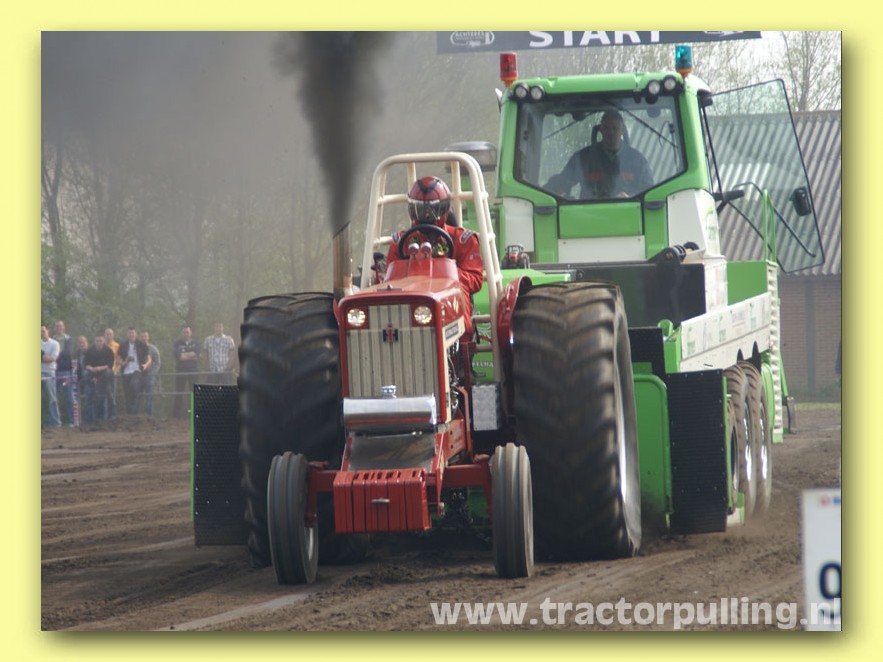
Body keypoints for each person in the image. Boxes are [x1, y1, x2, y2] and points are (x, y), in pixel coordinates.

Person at [385, 176, 484, 336]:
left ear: (445, 208)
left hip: (448, 300)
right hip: (411, 301)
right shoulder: (400, 242)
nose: (427, 216)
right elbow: (389, 280)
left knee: (459, 291)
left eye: (433, 209)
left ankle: (461, 340)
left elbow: (475, 279)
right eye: (420, 209)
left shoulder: (463, 240)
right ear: (412, 210)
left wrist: (444, 273)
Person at [546, 109, 653, 199]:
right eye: (606, 128)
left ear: (622, 131)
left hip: (628, 214)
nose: (611, 132)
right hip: (588, 214)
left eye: (615, 128)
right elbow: (563, 181)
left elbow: (649, 192)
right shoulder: (583, 158)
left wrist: (630, 197)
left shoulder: (637, 160)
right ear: (600, 130)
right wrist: (546, 193)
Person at [117, 327, 151, 415]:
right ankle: (130, 415)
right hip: (126, 371)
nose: (131, 335)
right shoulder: (123, 345)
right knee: (127, 394)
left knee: (134, 386)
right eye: (129, 333)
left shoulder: (142, 344)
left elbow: (149, 359)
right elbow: (118, 358)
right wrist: (124, 362)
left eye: (133, 333)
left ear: (136, 334)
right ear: (127, 334)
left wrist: (145, 365)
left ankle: (135, 413)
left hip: (137, 370)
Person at [82, 334, 115, 424]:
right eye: (97, 341)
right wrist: (92, 369)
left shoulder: (108, 351)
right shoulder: (89, 351)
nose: (99, 343)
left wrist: (99, 368)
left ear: (103, 341)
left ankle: (108, 418)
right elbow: (85, 364)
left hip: (104, 375)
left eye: (100, 341)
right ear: (94, 341)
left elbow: (110, 365)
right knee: (89, 395)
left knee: (106, 395)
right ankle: (89, 420)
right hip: (92, 373)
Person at [172, 325, 200, 419]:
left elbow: (196, 354)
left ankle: (195, 414)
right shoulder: (177, 343)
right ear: (182, 333)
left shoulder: (196, 342)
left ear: (191, 332)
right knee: (179, 393)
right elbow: (179, 357)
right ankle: (177, 416)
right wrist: (190, 355)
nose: (186, 334)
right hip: (181, 371)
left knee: (194, 392)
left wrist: (184, 355)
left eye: (187, 332)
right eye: (184, 332)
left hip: (193, 370)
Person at [53, 320, 75, 426]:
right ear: (55, 328)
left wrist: (56, 353)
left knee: (69, 397)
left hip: (67, 372)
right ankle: (56, 422)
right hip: (55, 372)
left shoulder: (69, 339)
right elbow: (50, 354)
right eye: (57, 326)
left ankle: (72, 421)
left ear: (64, 327)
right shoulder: (52, 339)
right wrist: (59, 353)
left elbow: (68, 353)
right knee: (54, 398)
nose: (59, 328)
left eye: (60, 326)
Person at [41, 325, 62, 428]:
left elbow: (52, 358)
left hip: (50, 373)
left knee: (52, 398)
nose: (41, 333)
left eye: (43, 331)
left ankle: (56, 422)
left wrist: (41, 356)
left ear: (47, 331)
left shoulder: (55, 343)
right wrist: (44, 357)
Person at [140, 330, 161, 417]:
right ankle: (137, 416)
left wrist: (152, 373)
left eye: (145, 336)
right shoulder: (137, 348)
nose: (144, 338)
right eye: (142, 336)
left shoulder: (153, 349)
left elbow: (158, 363)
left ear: (148, 337)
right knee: (138, 397)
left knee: (149, 396)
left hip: (150, 376)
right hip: (139, 376)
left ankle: (149, 416)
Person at [104, 328, 120, 420]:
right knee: (104, 393)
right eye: (107, 334)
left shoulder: (116, 346)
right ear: (104, 335)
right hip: (103, 373)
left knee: (112, 394)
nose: (109, 336)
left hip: (113, 372)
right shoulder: (101, 345)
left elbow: (119, 360)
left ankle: (113, 415)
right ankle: (104, 416)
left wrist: (117, 370)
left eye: (110, 334)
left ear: (113, 335)